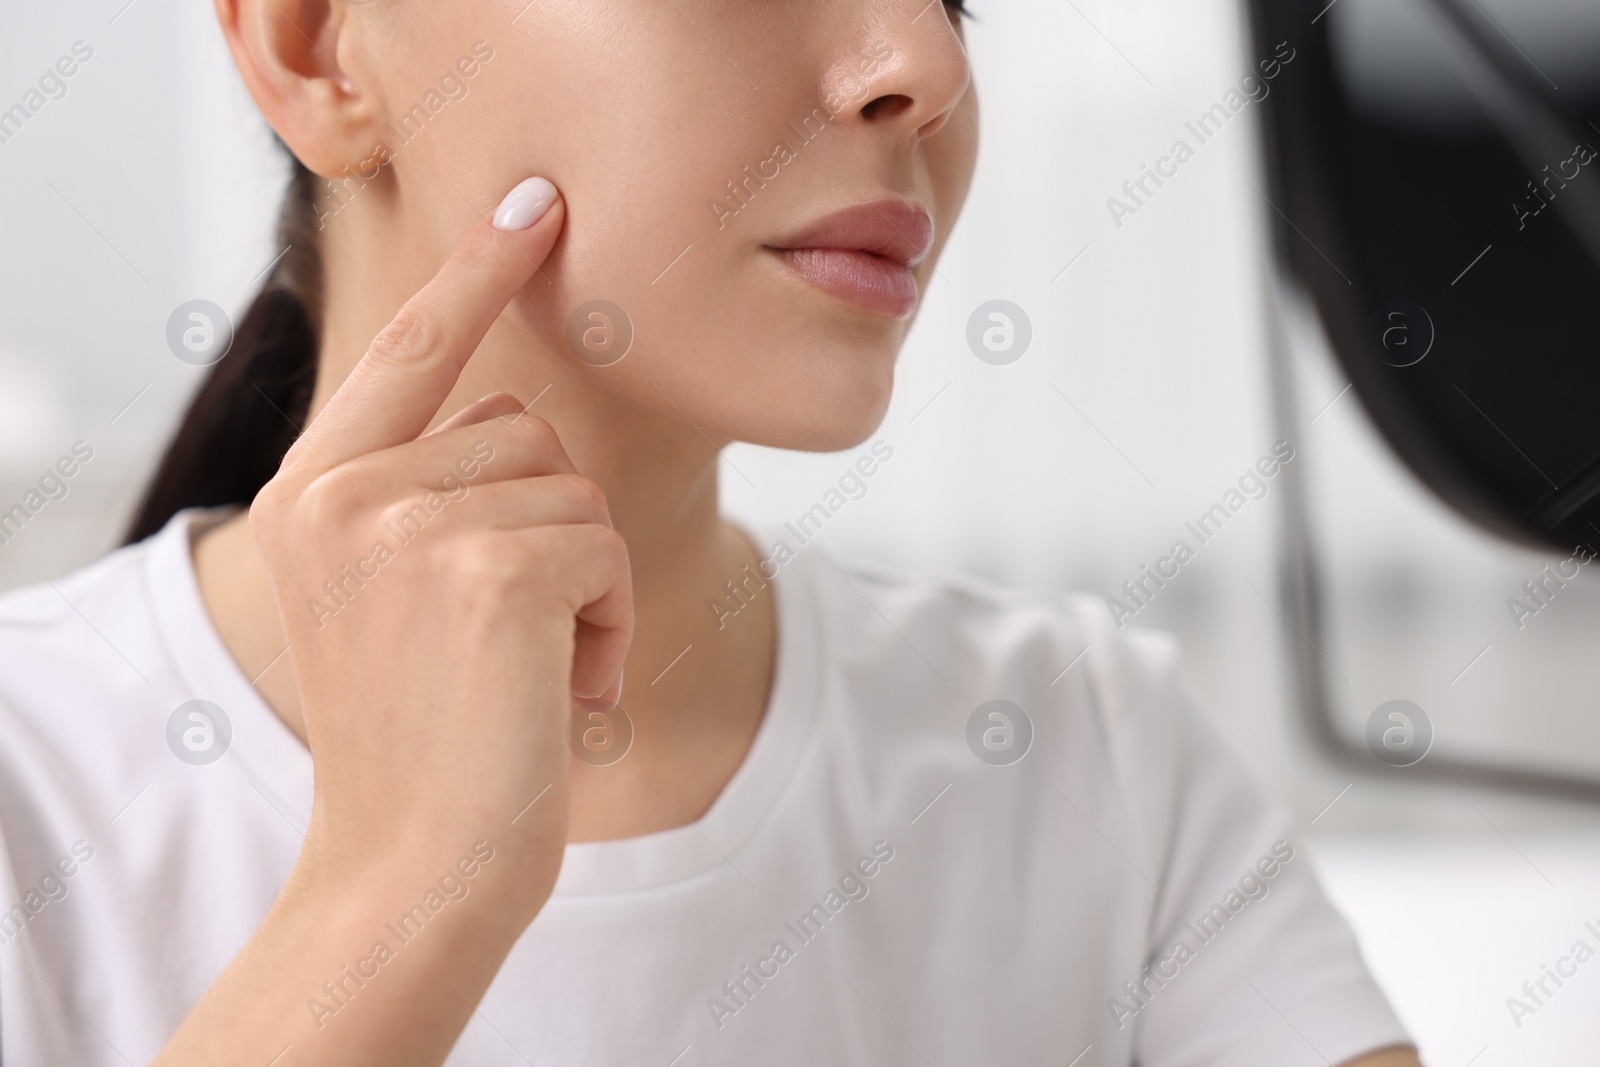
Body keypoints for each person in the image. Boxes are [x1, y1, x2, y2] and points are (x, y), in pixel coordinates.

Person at [0, 1, 1424, 1064]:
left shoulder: (1082, 753)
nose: (921, 64)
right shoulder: (33, 789)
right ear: (319, 47)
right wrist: (392, 900)